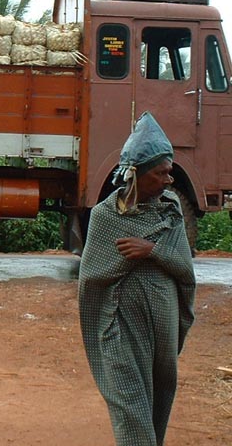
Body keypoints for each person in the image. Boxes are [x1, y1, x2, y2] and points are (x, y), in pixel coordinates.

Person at [78, 111, 196, 446]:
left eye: (169, 172)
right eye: (161, 173)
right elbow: (92, 279)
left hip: (162, 330)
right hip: (119, 329)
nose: (168, 180)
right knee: (130, 409)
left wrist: (152, 251)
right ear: (136, 175)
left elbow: (185, 271)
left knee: (157, 405)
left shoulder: (170, 210)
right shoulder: (104, 217)